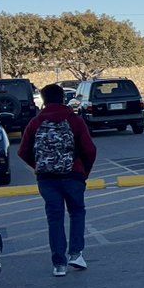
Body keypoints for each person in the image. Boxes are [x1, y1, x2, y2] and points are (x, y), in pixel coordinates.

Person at [18, 83, 98, 277]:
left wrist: (39, 165)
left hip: (46, 179)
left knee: (55, 219)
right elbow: (90, 150)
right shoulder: (74, 120)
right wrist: (82, 172)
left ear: (44, 100)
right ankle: (76, 254)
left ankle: (59, 264)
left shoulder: (36, 122)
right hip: (73, 176)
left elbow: (23, 151)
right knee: (77, 212)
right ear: (63, 98)